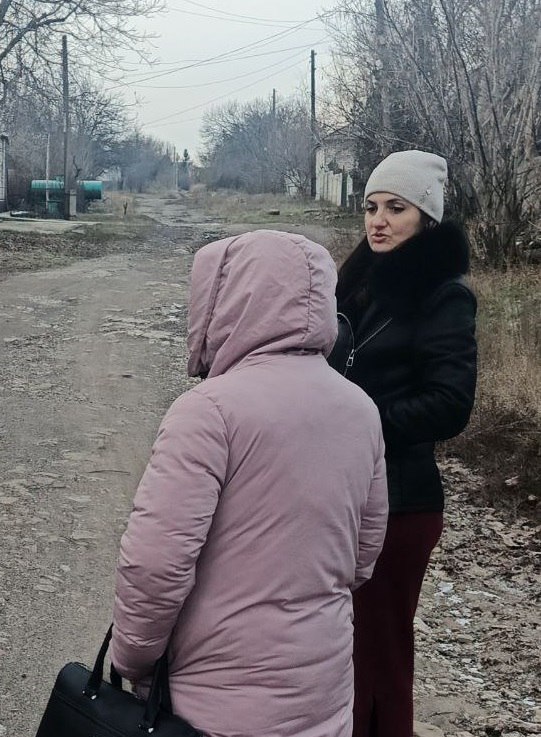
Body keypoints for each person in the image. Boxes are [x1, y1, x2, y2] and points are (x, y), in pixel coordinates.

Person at [111, 230, 389, 737]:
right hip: (322, 693)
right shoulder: (361, 410)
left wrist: (132, 657)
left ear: (225, 300)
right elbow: (362, 557)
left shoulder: (208, 412)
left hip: (212, 701)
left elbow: (155, 565)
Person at [327, 150, 478, 737]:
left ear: (426, 218)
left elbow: (449, 404)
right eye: (371, 207)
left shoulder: (443, 294)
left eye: (396, 208)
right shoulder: (357, 282)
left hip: (400, 501)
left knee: (380, 654)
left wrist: (359, 422)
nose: (378, 221)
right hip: (345, 491)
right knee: (342, 649)